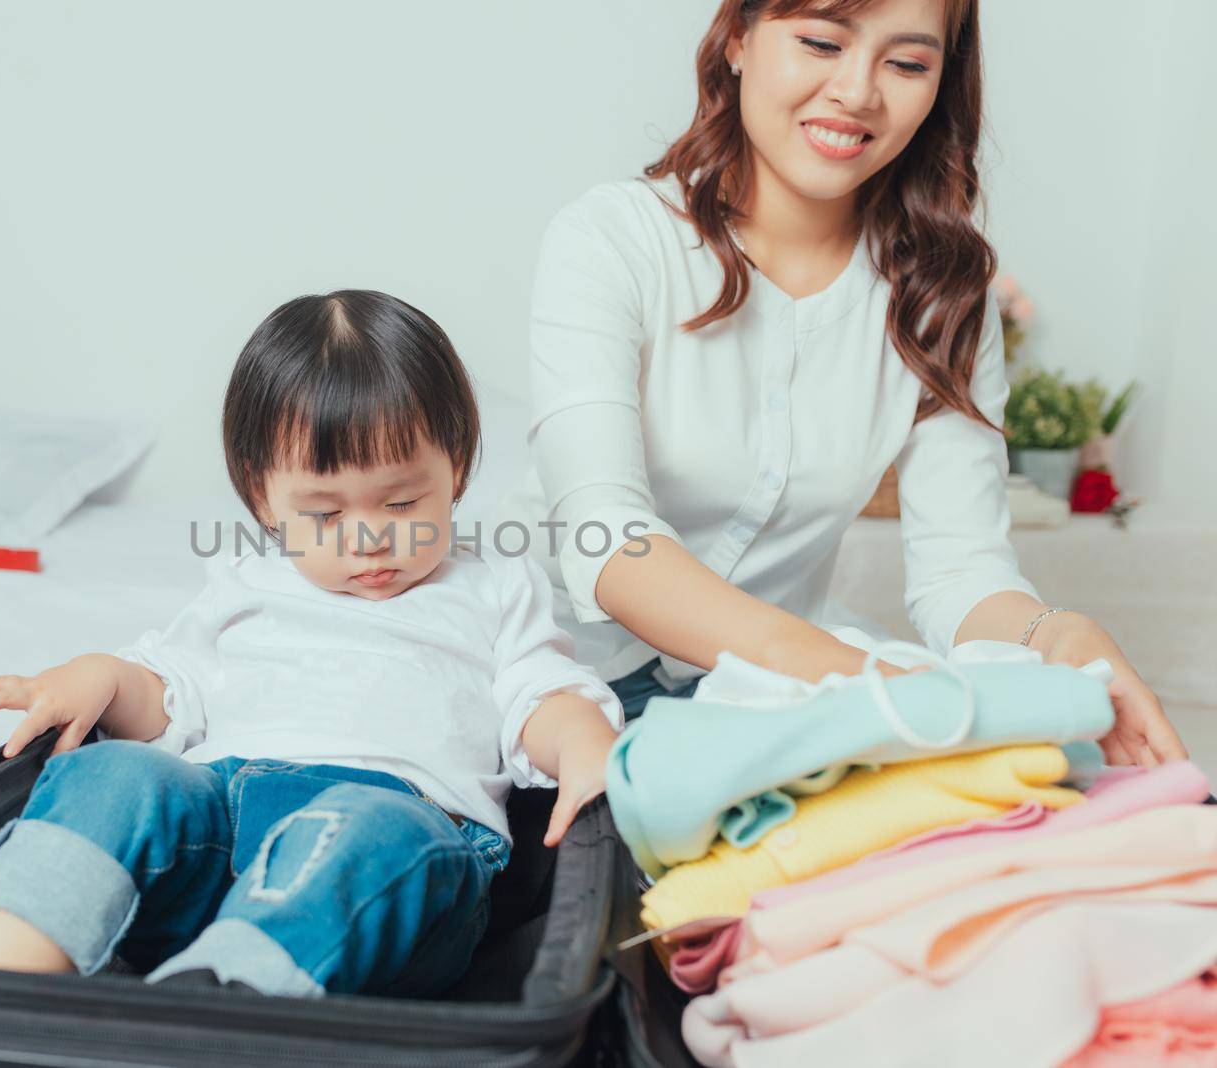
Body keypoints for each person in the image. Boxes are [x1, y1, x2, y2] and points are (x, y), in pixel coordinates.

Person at [504, 0, 1186, 766]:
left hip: (765, 692)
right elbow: (608, 544)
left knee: (1046, 775)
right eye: (822, 42)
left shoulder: (945, 296)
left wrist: (1055, 633)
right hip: (553, 682)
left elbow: (960, 575)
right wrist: (856, 677)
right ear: (737, 38)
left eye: (906, 63)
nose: (858, 93)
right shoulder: (612, 240)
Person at [0, 289, 624, 997]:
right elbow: (172, 693)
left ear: (455, 468)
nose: (369, 538)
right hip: (222, 833)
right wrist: (104, 678)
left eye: (402, 503)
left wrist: (580, 738)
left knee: (369, 829)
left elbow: (537, 692)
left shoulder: (493, 587)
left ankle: (218, 1010)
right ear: (262, 496)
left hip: (397, 865)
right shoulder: (247, 583)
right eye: (324, 513)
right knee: (111, 774)